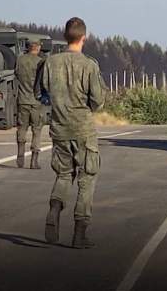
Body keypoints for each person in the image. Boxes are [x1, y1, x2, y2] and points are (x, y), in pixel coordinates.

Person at [36, 17, 105, 249]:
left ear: (65, 36)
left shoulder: (50, 63)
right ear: (84, 37)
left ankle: (55, 208)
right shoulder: (89, 65)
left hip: (59, 127)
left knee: (64, 175)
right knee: (87, 178)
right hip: (83, 128)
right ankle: (79, 232)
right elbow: (97, 100)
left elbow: (42, 92)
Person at [14, 41, 45, 169]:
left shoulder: (20, 60)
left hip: (23, 99)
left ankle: (20, 157)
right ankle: (34, 160)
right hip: (36, 101)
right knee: (37, 130)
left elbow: (16, 74)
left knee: (22, 128)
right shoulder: (41, 62)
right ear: (37, 48)